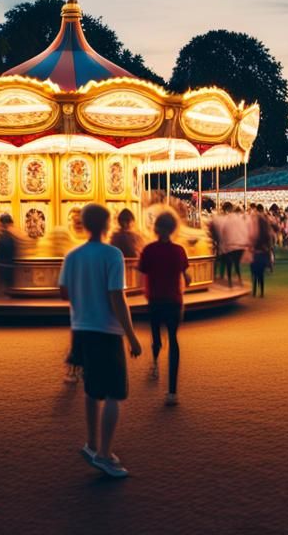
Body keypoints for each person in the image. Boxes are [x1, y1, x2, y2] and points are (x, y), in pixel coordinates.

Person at [59, 203, 142, 479]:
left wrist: (83, 300)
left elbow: (63, 292)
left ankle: (92, 443)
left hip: (81, 328)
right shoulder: (112, 255)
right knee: (115, 394)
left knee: (92, 390)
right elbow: (117, 297)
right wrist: (131, 336)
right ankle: (105, 454)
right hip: (106, 330)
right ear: (108, 225)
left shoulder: (72, 256)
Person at [137, 210, 190, 406]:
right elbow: (187, 277)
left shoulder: (149, 250)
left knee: (155, 335)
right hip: (174, 300)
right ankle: (172, 391)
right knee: (174, 339)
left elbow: (142, 272)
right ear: (173, 229)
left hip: (155, 299)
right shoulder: (179, 250)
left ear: (156, 228)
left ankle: (155, 363)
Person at [248, 204, 274, 297]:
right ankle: (261, 292)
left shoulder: (254, 224)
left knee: (254, 273)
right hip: (261, 252)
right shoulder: (265, 224)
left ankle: (255, 291)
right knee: (260, 274)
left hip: (256, 253)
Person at [221, 206, 249, 288]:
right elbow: (245, 231)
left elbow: (224, 231)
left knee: (229, 264)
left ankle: (230, 281)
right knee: (237, 263)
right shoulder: (241, 220)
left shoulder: (227, 220)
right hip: (240, 245)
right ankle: (239, 279)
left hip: (230, 245)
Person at [0, 214, 17, 296]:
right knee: (6, 282)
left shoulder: (2, 235)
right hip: (6, 262)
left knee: (3, 282)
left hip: (3, 261)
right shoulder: (7, 235)